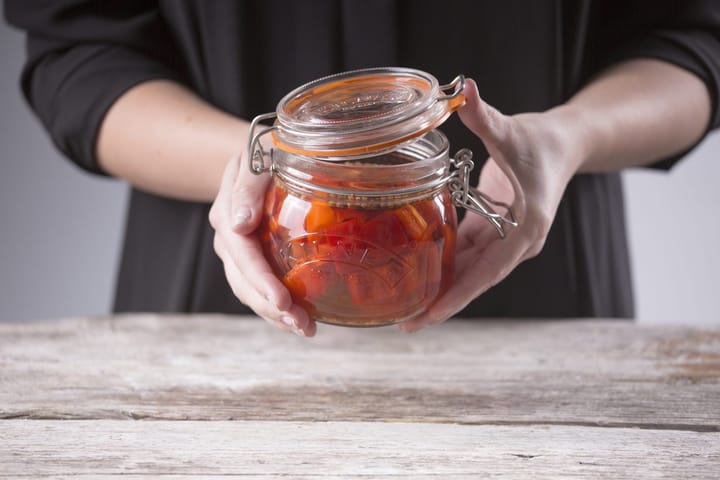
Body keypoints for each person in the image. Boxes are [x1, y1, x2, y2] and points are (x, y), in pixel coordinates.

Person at [6, 1, 719, 337]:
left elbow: (693, 35)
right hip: (213, 306)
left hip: (534, 275)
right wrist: (247, 165)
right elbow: (77, 50)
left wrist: (570, 136)